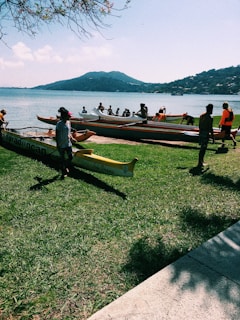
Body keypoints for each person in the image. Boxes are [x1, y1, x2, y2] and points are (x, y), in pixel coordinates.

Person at [56, 108, 76, 178]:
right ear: (64, 116)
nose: (70, 117)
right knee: (62, 158)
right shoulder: (59, 124)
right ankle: (64, 171)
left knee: (70, 157)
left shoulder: (69, 123)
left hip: (68, 143)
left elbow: (69, 132)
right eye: (69, 116)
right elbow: (57, 135)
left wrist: (72, 138)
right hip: (61, 144)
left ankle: (64, 166)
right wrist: (58, 145)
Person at [197, 104, 214, 168]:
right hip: (205, 134)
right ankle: (200, 162)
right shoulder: (210, 118)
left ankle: (201, 161)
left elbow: (199, 126)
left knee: (202, 148)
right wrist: (213, 137)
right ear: (210, 109)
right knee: (203, 149)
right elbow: (210, 128)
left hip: (201, 133)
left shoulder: (202, 116)